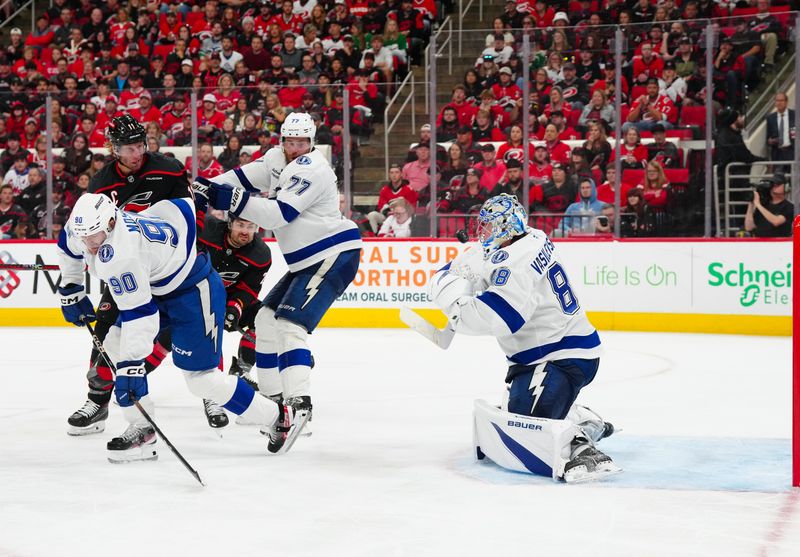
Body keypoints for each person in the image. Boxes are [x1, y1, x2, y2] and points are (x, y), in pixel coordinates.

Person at [56, 194, 305, 462]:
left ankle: (278, 417)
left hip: (193, 293)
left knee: (201, 380)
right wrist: (70, 287)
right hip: (156, 283)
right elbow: (67, 245)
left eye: (95, 236)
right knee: (114, 347)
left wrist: (132, 370)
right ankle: (142, 429)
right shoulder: (83, 227)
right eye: (85, 237)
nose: (90, 244)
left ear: (112, 221)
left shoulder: (123, 255)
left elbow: (140, 316)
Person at [192, 112, 362, 443]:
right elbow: (237, 178)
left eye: (303, 143)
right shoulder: (275, 159)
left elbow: (279, 214)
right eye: (291, 142)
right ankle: (275, 404)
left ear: (312, 143)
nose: (296, 148)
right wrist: (205, 187)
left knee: (289, 326)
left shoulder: (314, 169)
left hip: (334, 253)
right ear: (281, 141)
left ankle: (300, 404)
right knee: (267, 321)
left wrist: (225, 199)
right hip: (307, 261)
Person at [428, 194, 618, 482]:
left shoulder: (515, 265)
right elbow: (489, 261)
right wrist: (465, 270)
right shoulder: (532, 237)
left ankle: (579, 443)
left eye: (489, 226)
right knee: (516, 417)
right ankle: (580, 416)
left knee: (525, 430)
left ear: (506, 228)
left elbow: (499, 319)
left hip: (561, 358)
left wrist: (452, 302)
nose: (484, 233)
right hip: (548, 354)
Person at [64, 115, 201, 437]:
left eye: (141, 144)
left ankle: (148, 387)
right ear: (114, 148)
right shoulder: (101, 183)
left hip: (164, 263)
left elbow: (190, 213)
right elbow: (89, 231)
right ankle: (97, 402)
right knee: (106, 332)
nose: (137, 152)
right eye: (128, 147)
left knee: (169, 325)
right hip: (127, 266)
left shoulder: (167, 167)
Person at [196, 213, 272, 397]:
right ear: (230, 223)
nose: (245, 231)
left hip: (231, 300)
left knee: (264, 318)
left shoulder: (260, 254)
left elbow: (249, 289)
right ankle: (131, 383)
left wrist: (234, 308)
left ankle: (241, 370)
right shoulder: (207, 230)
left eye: (251, 226)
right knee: (165, 339)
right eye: (240, 225)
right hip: (194, 297)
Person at [766, 92, 795, 167]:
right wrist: (770, 141)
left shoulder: (795, 115)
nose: (779, 103)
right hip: (777, 154)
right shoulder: (770, 118)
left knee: (793, 177)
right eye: (777, 101)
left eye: (781, 100)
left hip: (792, 152)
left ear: (786, 102)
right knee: (778, 177)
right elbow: (768, 138)